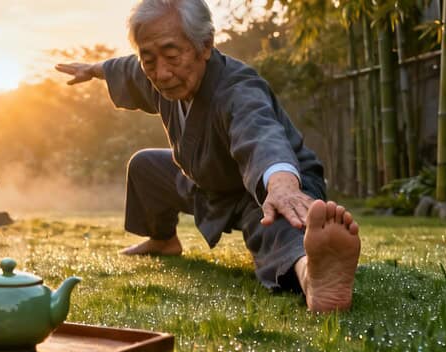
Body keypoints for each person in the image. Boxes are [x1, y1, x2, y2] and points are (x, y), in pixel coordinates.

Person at [55, 0, 360, 312]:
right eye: (149, 60)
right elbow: (127, 68)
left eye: (172, 56)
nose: (161, 73)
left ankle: (312, 275)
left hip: (264, 187)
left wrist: (282, 184)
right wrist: (94, 69)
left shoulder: (238, 88)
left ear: (206, 45)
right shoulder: (155, 72)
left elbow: (260, 133)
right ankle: (163, 240)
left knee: (274, 221)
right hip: (208, 183)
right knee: (145, 165)